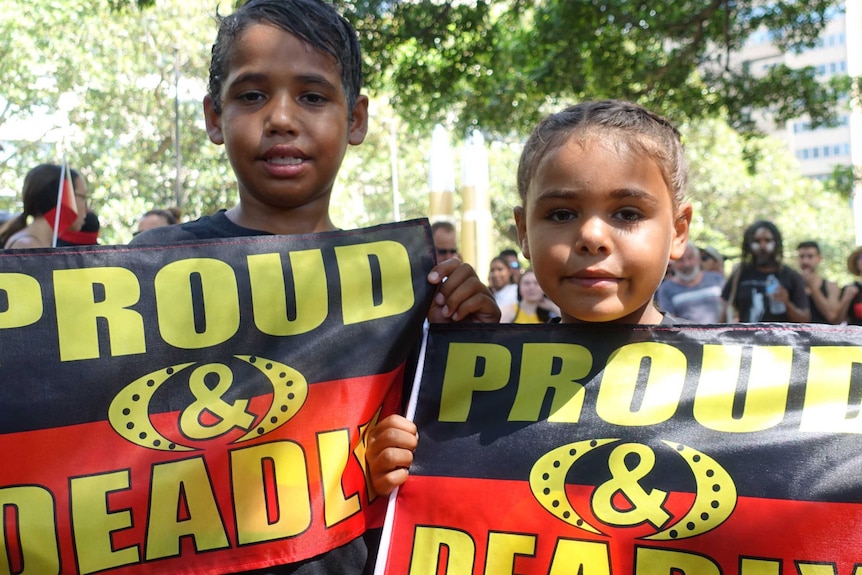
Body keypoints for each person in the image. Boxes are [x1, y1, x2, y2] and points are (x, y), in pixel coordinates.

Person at [131, 1, 498, 572]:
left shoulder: (409, 287)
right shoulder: (144, 272)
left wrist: (463, 343)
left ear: (355, 118)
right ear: (212, 116)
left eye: (312, 96)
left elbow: (443, 456)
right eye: (251, 95)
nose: (281, 117)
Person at [368, 99, 693, 497]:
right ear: (523, 231)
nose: (591, 237)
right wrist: (402, 462)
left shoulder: (745, 382)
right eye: (560, 214)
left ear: (678, 231)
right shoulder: (482, 381)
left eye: (627, 213)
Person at [721, 220, 809, 323]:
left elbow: (805, 320)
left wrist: (786, 303)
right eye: (757, 241)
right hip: (747, 338)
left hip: (779, 338)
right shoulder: (740, 274)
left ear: (776, 243)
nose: (762, 246)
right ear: (749, 245)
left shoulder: (791, 276)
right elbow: (725, 311)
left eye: (767, 241)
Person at [0, 164, 88, 249]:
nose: (87, 209)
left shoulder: (36, 244)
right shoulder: (29, 246)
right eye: (83, 197)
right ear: (63, 198)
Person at [656, 242, 725, 323]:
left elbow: (730, 309)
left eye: (690, 258)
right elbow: (669, 321)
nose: (686, 264)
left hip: (721, 334)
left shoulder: (716, 279)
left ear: (698, 259)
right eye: (680, 260)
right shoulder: (666, 288)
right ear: (673, 263)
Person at [796, 240, 841, 324]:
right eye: (801, 256)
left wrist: (812, 288)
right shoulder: (792, 285)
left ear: (819, 259)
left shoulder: (831, 286)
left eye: (810, 256)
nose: (805, 261)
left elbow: (832, 316)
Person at [836, 246, 862, 325]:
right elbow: (837, 321)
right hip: (855, 336)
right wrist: (847, 298)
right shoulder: (849, 289)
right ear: (856, 263)